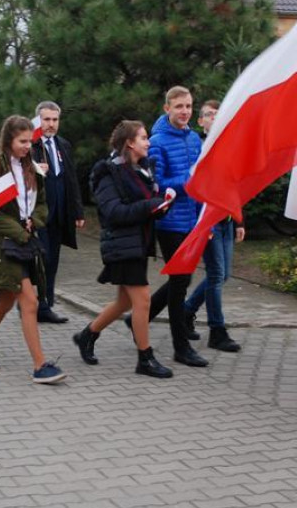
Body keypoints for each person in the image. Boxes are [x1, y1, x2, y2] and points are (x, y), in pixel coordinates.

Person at [0, 115, 66, 384]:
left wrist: (37, 219)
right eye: (22, 141)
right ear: (9, 140)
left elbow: (43, 203)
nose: (27, 146)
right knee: (29, 302)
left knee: (7, 300)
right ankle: (40, 366)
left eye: (29, 141)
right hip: (3, 246)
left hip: (24, 242)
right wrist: (18, 231)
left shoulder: (33, 168)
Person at [73, 120, 173, 378]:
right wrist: (151, 206)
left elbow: (146, 207)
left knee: (124, 301)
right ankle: (145, 358)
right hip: (121, 245)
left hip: (138, 244)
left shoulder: (142, 169)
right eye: (143, 138)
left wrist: (162, 205)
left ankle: (87, 335)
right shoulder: (108, 172)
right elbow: (113, 212)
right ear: (129, 142)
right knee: (143, 300)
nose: (148, 142)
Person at [145, 86, 208, 367]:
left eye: (189, 106)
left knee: (180, 281)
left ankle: (140, 319)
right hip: (169, 222)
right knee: (181, 282)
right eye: (179, 106)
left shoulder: (195, 139)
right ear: (167, 109)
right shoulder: (157, 141)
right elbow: (156, 186)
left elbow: (202, 186)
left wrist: (204, 222)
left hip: (192, 222)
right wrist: (188, 180)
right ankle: (181, 348)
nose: (185, 112)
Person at [182, 100, 243, 352]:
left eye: (218, 114)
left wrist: (240, 219)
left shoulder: (229, 146)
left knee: (224, 274)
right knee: (217, 275)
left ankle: (186, 310)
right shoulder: (199, 147)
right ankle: (217, 331)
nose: (214, 118)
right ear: (201, 121)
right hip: (209, 220)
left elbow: (236, 184)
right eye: (209, 115)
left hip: (227, 219)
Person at [31, 101, 85, 323]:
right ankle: (34, 303)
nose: (50, 124)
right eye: (46, 120)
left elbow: (71, 179)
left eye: (54, 120)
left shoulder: (62, 145)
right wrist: (34, 169)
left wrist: (78, 211)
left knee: (53, 260)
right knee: (41, 259)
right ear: (38, 121)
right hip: (39, 214)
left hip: (60, 213)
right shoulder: (30, 146)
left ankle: (46, 304)